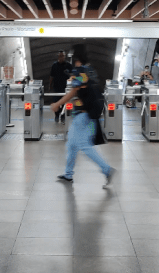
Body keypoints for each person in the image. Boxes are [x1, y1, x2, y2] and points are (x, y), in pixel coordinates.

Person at [51, 45, 115, 188]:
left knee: (84, 146)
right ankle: (68, 174)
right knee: (72, 144)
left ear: (76, 57)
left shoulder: (79, 70)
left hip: (83, 115)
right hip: (88, 114)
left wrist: (57, 104)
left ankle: (107, 169)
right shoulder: (90, 69)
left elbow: (73, 92)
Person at [49, 50, 72, 124]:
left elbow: (72, 76)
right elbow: (52, 76)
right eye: (60, 56)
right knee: (56, 102)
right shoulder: (54, 65)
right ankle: (56, 115)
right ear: (58, 57)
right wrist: (50, 85)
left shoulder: (68, 65)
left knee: (64, 102)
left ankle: (63, 116)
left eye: (62, 56)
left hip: (65, 88)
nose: (61, 57)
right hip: (56, 87)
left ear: (64, 56)